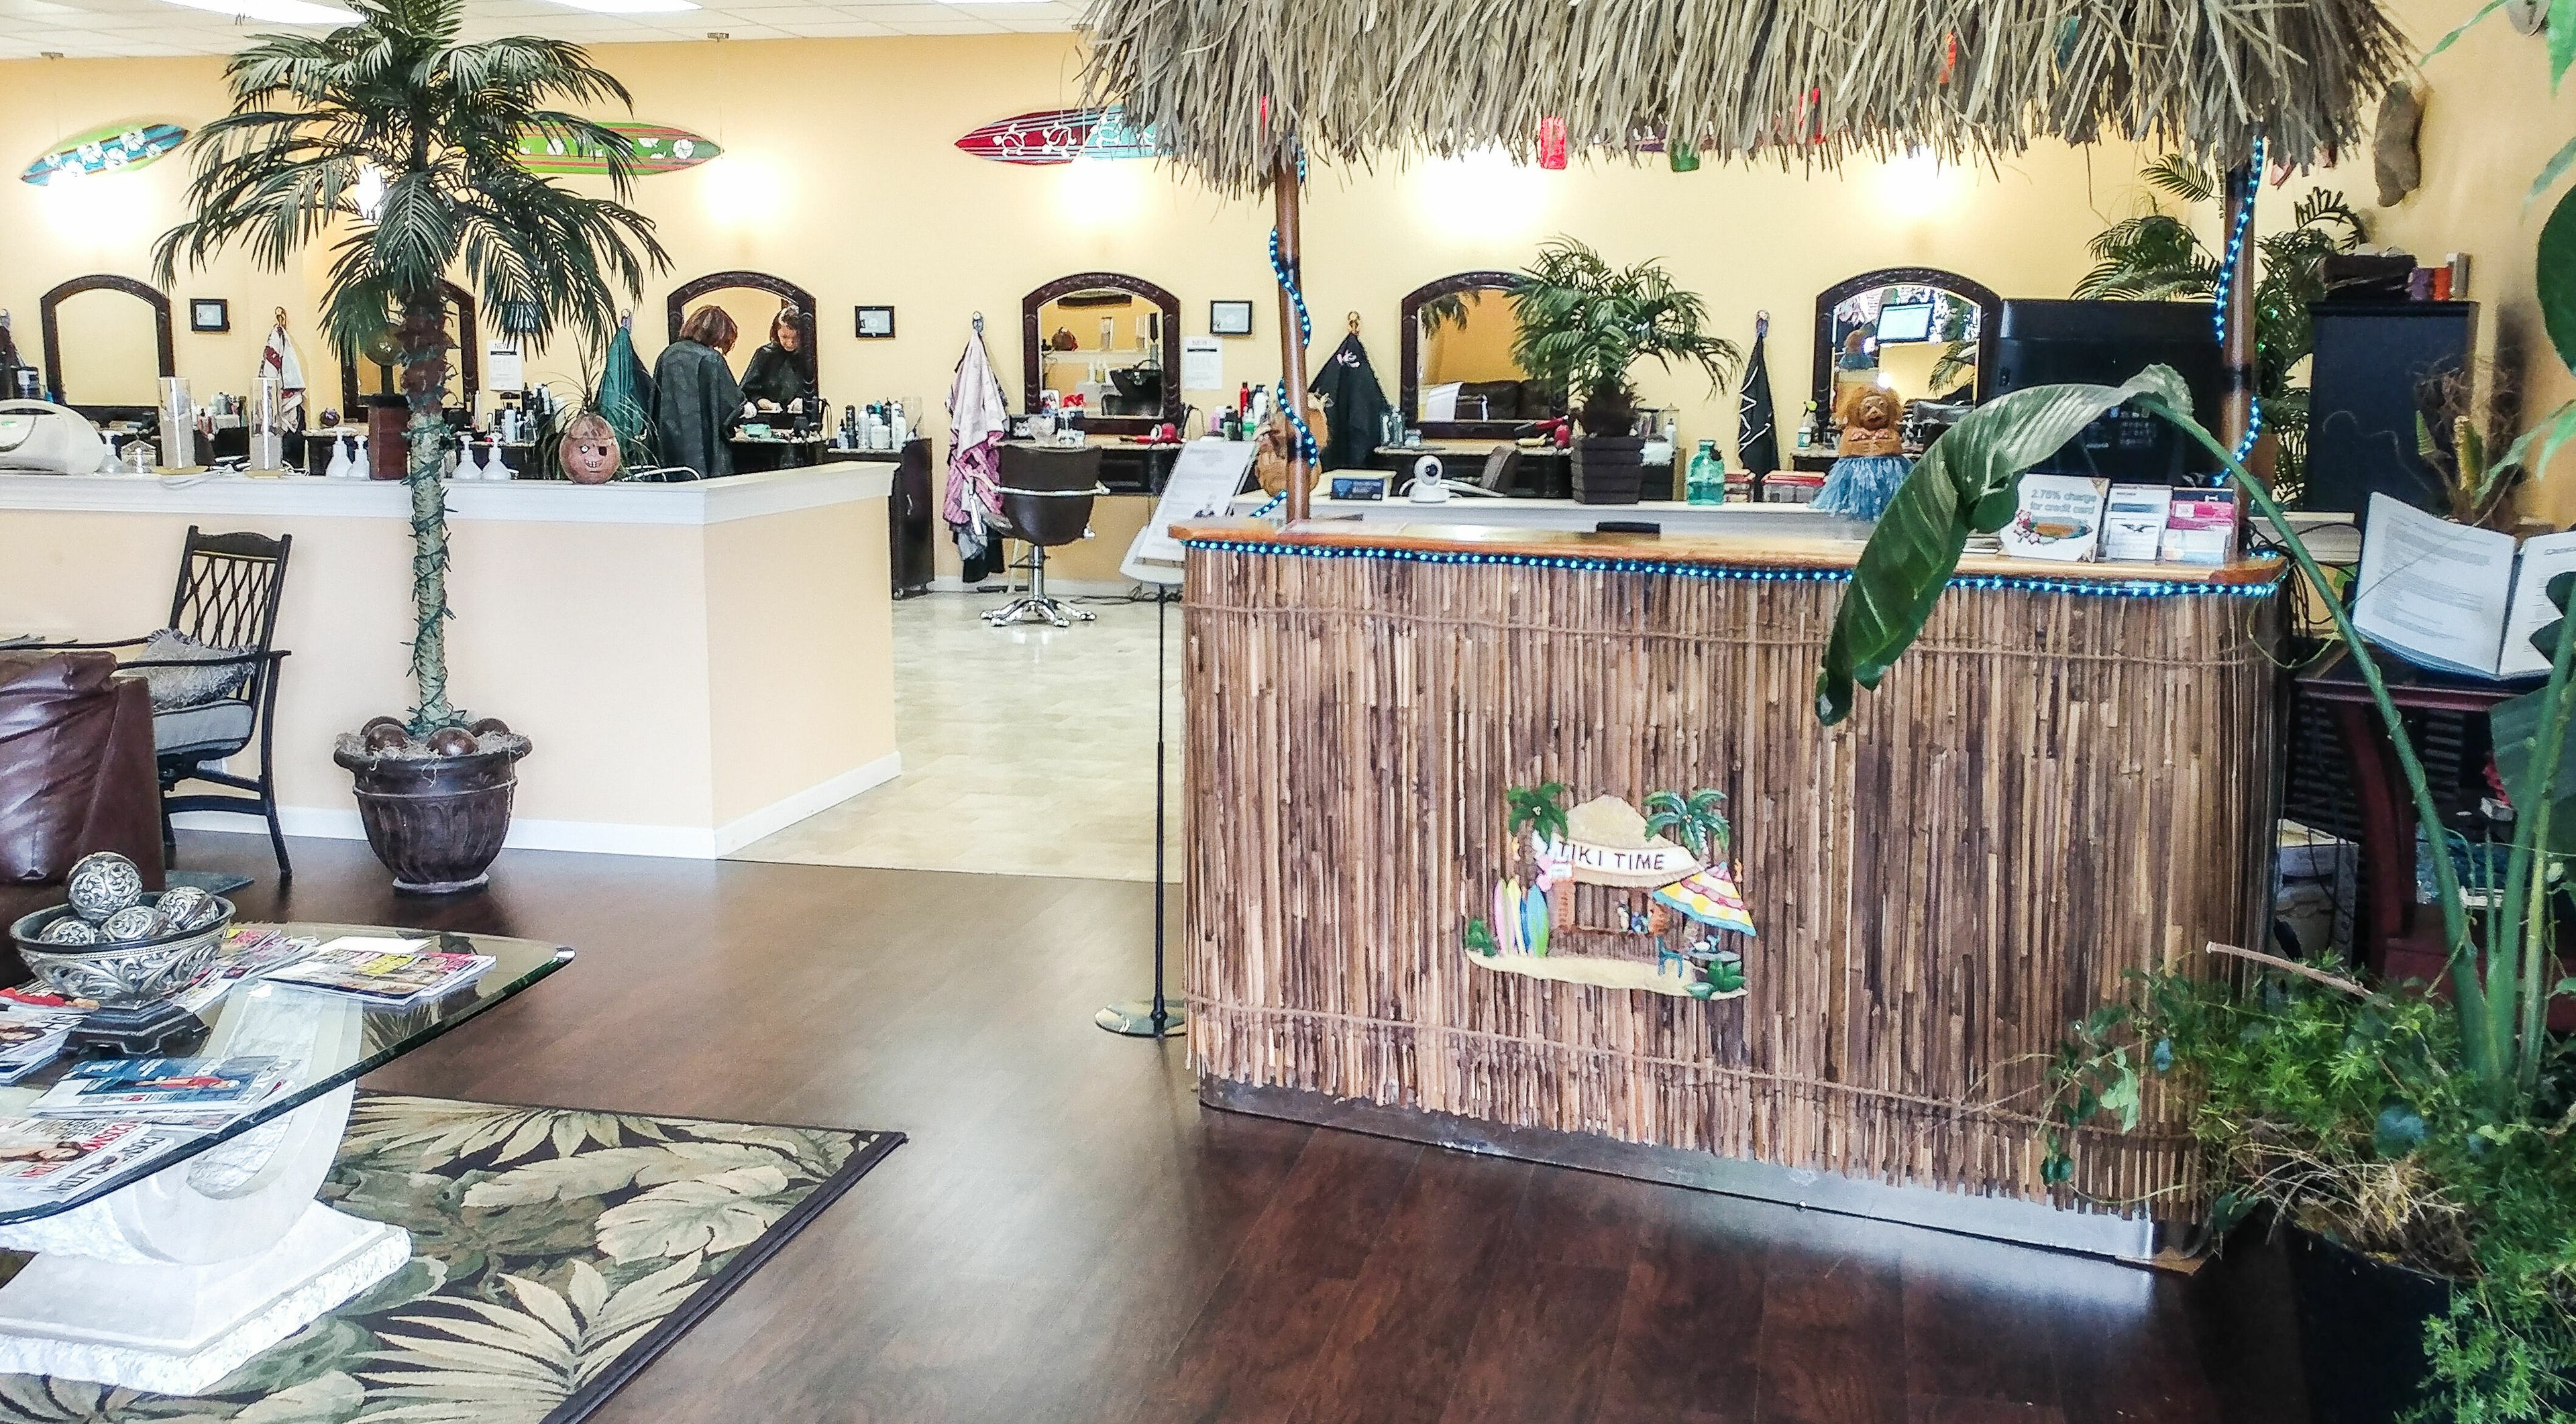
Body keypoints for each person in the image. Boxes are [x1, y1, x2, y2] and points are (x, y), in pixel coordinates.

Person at [653, 305, 745, 479]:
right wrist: (745, 409)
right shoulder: (711, 359)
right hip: (705, 452)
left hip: (667, 447)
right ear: (719, 333)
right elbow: (730, 407)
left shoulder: (667, 355)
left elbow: (654, 402)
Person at [739, 305, 816, 413]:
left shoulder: (811, 356)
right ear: (776, 332)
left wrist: (805, 401)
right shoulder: (765, 355)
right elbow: (748, 393)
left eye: (796, 338)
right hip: (768, 420)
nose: (790, 343)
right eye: (785, 337)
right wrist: (768, 405)